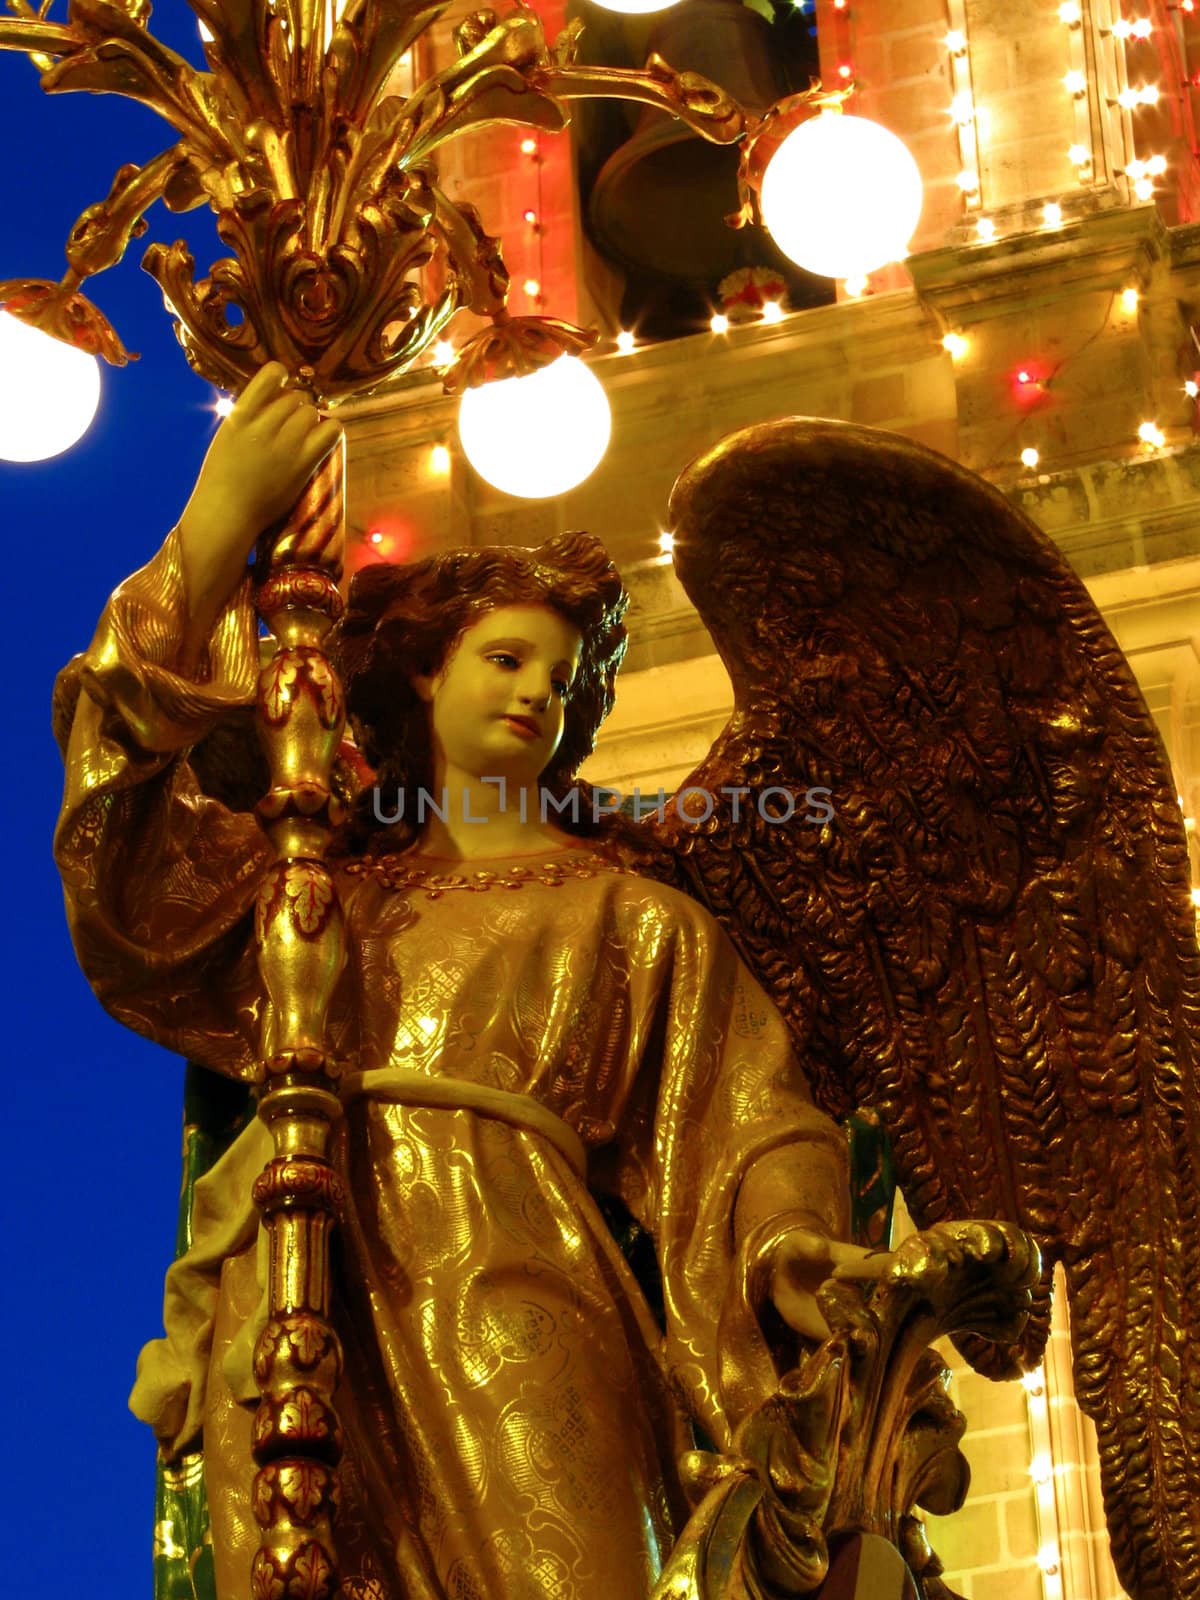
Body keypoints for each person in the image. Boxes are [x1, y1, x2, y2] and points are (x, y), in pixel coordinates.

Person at [54, 365, 870, 1600]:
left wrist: (798, 1246)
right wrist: (212, 531)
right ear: (428, 673)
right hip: (306, 1306)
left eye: (558, 674)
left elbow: (746, 1124)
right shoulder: (312, 897)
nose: (535, 690)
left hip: (527, 1312)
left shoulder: (634, 918)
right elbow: (123, 871)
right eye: (504, 656)